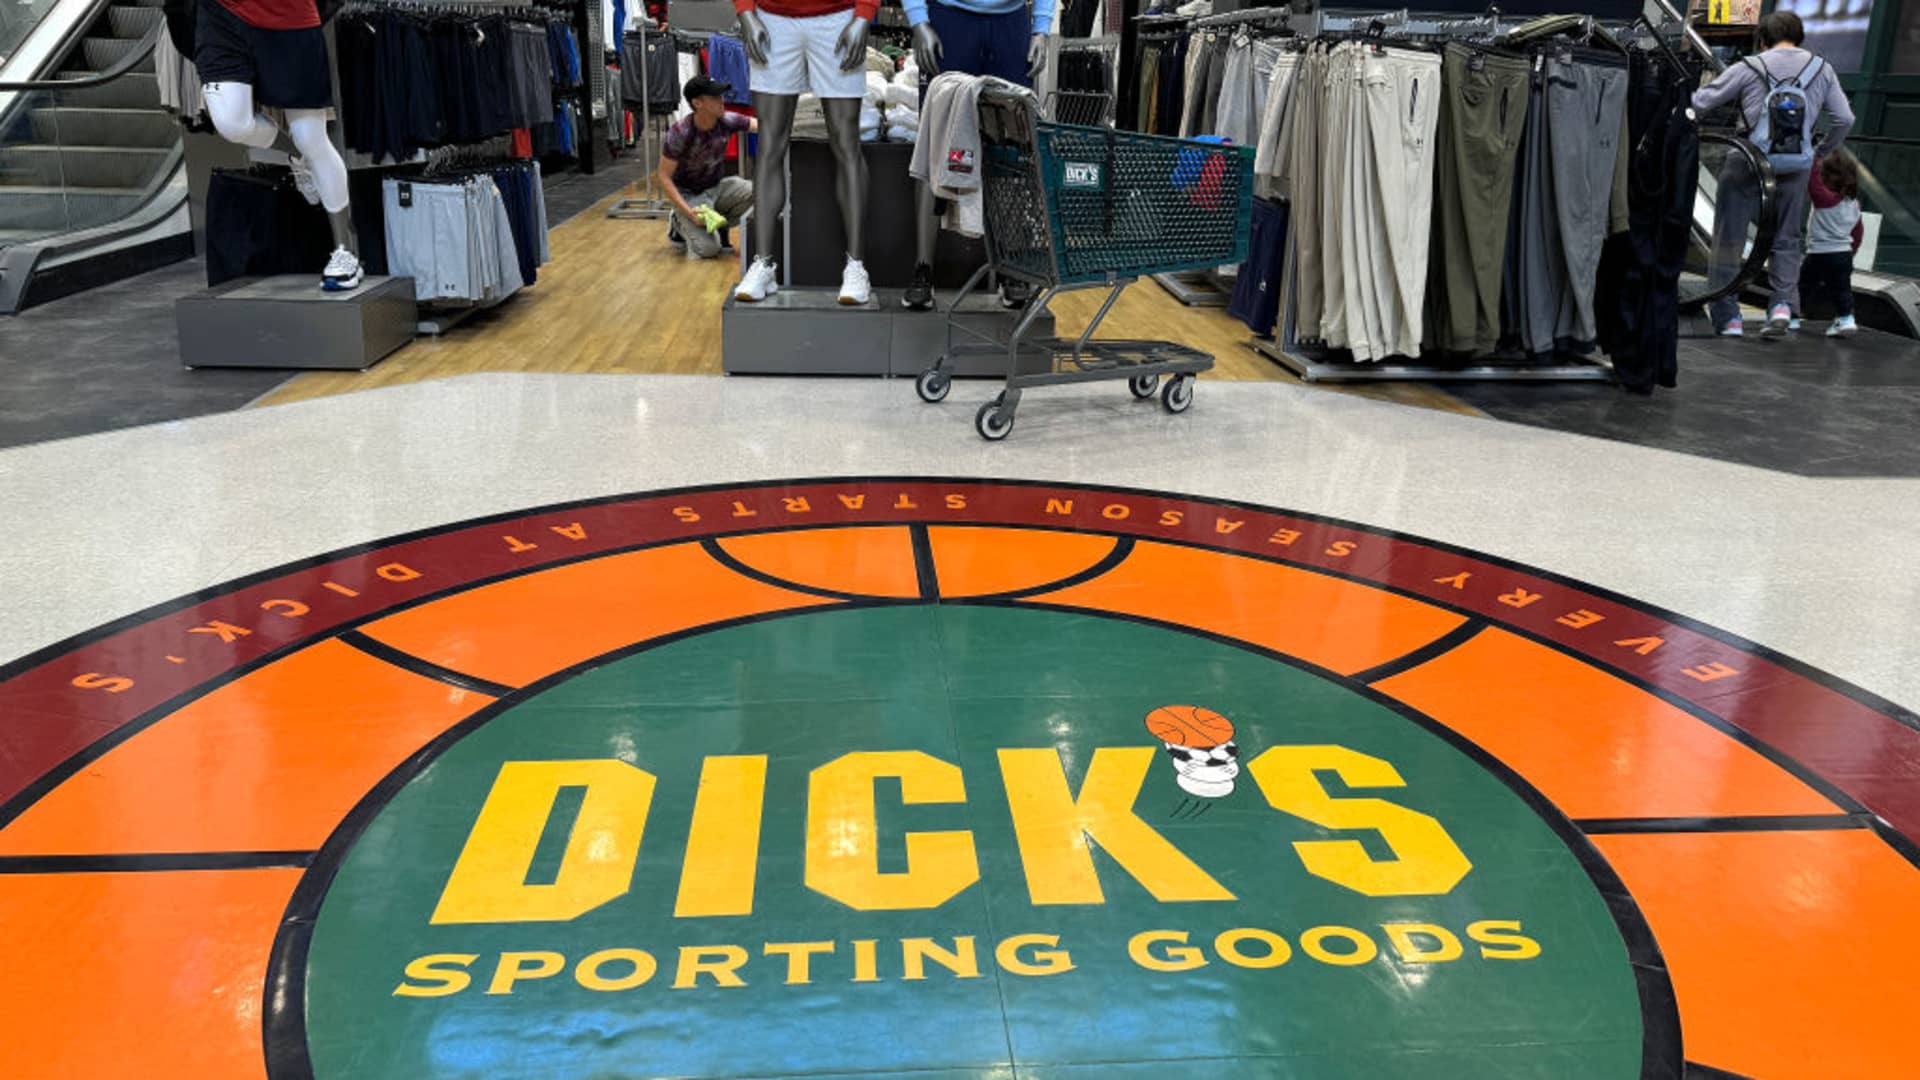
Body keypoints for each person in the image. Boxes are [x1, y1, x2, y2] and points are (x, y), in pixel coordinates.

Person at [1692, 11, 1853, 338]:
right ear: (1800, 37)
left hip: (1747, 160)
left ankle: (1729, 318)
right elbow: (1844, 119)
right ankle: (1781, 306)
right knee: (1787, 238)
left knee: (1729, 238)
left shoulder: (1749, 66)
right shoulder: (1822, 69)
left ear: (1762, 40)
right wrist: (1819, 152)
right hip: (1796, 165)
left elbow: (1701, 101)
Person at [658, 75, 757, 260]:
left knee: (759, 192)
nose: (722, 100)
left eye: (721, 95)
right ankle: (678, 224)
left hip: (715, 189)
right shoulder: (680, 133)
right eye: (714, 97)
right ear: (697, 103)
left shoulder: (726, 120)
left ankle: (719, 226)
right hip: (689, 196)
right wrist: (689, 213)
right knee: (708, 249)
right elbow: (664, 177)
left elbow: (758, 125)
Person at [1805, 149, 1863, 336]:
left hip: (1819, 254)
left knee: (1803, 286)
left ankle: (1792, 316)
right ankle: (1846, 319)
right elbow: (1857, 232)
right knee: (1842, 289)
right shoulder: (1854, 204)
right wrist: (1851, 253)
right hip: (1844, 254)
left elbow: (1813, 182)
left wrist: (1813, 155)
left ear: (1826, 177)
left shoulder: (1824, 199)